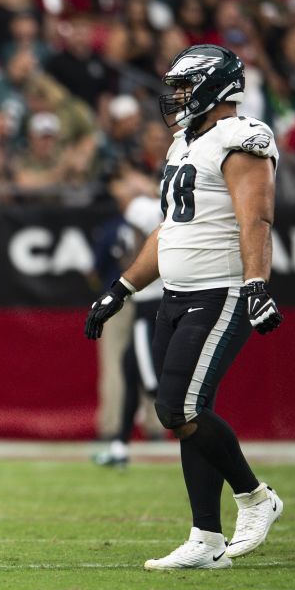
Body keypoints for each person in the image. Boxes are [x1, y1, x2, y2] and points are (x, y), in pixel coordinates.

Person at [85, 44, 285, 570]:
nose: (174, 97)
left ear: (215, 86)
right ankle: (207, 538)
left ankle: (255, 497)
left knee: (179, 407)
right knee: (189, 412)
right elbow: (170, 230)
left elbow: (256, 221)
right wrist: (121, 288)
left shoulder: (242, 138)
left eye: (183, 85)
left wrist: (256, 284)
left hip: (219, 292)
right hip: (175, 295)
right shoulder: (184, 141)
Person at [94, 179, 164, 469]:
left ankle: (125, 435)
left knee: (147, 375)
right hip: (143, 299)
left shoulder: (139, 226)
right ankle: (123, 441)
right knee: (130, 365)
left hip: (147, 302)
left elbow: (99, 270)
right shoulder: (157, 219)